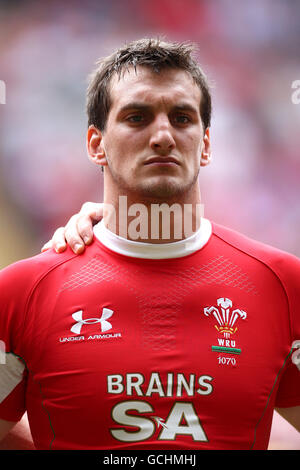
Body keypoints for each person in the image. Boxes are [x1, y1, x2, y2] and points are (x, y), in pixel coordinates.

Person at [0, 38, 299, 451]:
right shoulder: (21, 293)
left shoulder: (283, 285)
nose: (163, 136)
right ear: (95, 144)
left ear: (207, 144)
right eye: (137, 117)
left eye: (181, 118)